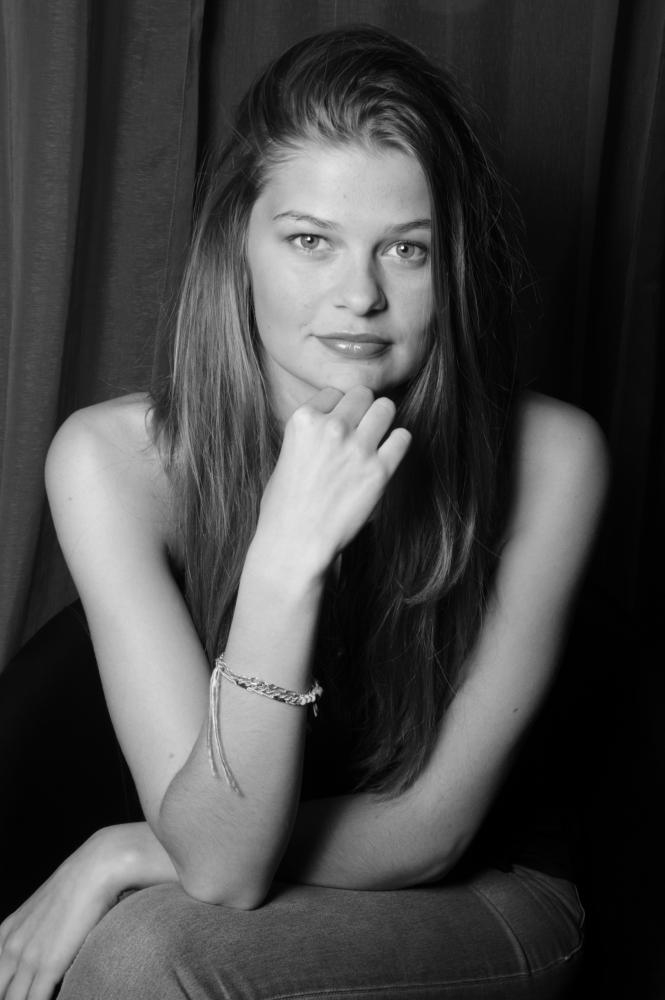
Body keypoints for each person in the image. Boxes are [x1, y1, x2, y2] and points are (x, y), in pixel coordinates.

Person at [0, 24, 608, 1000]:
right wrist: (285, 559)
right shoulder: (112, 463)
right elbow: (222, 862)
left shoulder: (554, 456)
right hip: (240, 869)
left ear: (451, 264)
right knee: (139, 947)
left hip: (491, 888)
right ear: (237, 246)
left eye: (405, 249)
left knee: (142, 950)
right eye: (310, 241)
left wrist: (124, 850)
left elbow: (431, 830)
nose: (359, 295)